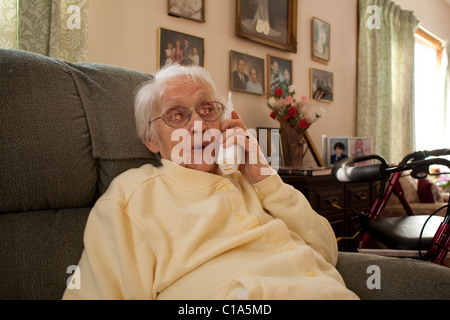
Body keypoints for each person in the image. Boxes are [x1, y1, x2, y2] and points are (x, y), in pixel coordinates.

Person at [62, 64, 358, 300]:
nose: (199, 125)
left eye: (207, 109)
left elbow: (327, 252)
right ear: (151, 139)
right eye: (176, 115)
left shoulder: (251, 177)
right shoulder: (132, 197)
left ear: (225, 118)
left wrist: (265, 178)